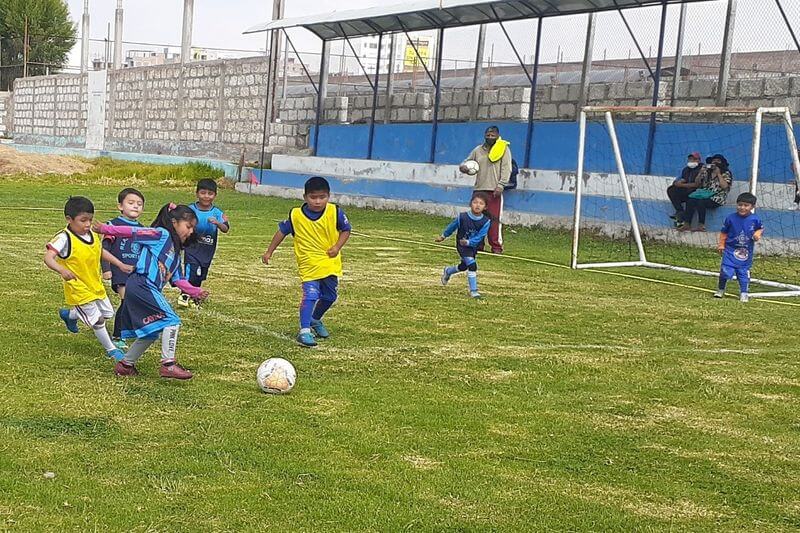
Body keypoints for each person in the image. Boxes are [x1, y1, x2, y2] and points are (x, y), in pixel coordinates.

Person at [93, 204, 208, 379]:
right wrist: (106, 229)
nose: (191, 231)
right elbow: (133, 232)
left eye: (193, 228)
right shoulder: (162, 234)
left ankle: (125, 365)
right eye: (188, 226)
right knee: (171, 320)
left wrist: (195, 291)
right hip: (142, 284)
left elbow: (178, 280)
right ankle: (168, 364)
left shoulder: (176, 256)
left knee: (151, 332)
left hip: (145, 288)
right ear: (174, 222)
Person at [261, 176, 352, 347]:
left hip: (329, 262)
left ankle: (315, 319)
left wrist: (337, 247)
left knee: (330, 296)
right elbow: (281, 232)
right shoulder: (295, 215)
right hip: (308, 263)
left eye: (322, 197)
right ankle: (304, 331)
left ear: (329, 196)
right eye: (313, 197)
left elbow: (346, 230)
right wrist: (269, 252)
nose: (318, 201)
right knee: (310, 295)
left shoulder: (335, 212)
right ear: (305, 197)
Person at [44, 196, 133, 361]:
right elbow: (48, 258)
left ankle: (70, 315)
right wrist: (61, 269)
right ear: (69, 219)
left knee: (107, 313)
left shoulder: (91, 234)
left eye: (90, 220)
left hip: (94, 284)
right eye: (83, 220)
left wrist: (119, 264)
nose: (87, 224)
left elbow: (99, 251)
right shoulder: (64, 238)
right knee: (97, 320)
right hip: (77, 286)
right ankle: (112, 350)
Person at [101, 188, 145, 349]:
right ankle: (118, 335)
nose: (135, 206)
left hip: (135, 272)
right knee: (126, 299)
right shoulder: (113, 225)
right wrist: (106, 269)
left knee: (135, 301)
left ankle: (130, 329)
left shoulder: (142, 229)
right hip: (120, 271)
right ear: (120, 206)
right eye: (131, 203)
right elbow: (103, 249)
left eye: (139, 204)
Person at [178, 178, 229, 307]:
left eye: (210, 193)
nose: (206, 196)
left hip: (207, 249)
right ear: (197, 193)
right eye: (203, 192)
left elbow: (226, 228)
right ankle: (184, 295)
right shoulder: (190, 210)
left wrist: (218, 223)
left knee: (200, 275)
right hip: (192, 247)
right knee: (191, 271)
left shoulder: (217, 213)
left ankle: (195, 296)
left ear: (215, 195)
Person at [460, 125, 510, 254]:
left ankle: (496, 247)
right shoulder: (478, 150)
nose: (490, 137)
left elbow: (506, 168)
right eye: (488, 135)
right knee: (476, 220)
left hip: (494, 190)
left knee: (493, 220)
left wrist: (501, 185)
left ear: (498, 136)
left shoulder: (503, 149)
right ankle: (477, 244)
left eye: (493, 135)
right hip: (479, 189)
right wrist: (464, 167)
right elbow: (465, 162)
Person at [436, 192, 492, 299]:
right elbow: (451, 227)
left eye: (481, 203)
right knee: (472, 265)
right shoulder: (462, 217)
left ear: (485, 207)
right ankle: (474, 291)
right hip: (462, 246)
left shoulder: (486, 221)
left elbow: (480, 236)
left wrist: (469, 242)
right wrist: (443, 236)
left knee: (463, 266)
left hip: (473, 246)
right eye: (475, 202)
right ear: (470, 204)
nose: (477, 205)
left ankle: (448, 271)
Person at [714, 192, 763, 303]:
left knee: (743, 272)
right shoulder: (730, 218)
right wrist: (721, 244)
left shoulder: (755, 219)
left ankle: (744, 293)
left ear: (752, 207)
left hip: (745, 251)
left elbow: (760, 228)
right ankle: (721, 290)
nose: (742, 207)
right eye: (740, 205)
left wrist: (757, 234)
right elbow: (723, 233)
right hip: (730, 249)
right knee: (725, 271)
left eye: (746, 205)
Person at [678, 153, 733, 232]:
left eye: (718, 161)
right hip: (704, 194)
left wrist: (718, 174)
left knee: (701, 202)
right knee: (690, 200)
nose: (715, 163)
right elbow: (697, 182)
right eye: (714, 161)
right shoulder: (707, 171)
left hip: (717, 197)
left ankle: (701, 225)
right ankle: (687, 224)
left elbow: (724, 186)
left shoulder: (726, 173)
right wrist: (700, 172)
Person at [666, 151, 702, 221]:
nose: (691, 161)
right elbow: (682, 179)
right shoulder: (686, 170)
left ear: (699, 160)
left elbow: (697, 184)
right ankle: (679, 211)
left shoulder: (702, 169)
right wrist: (677, 183)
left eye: (694, 159)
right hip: (686, 190)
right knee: (671, 189)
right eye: (690, 159)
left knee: (691, 193)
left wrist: (682, 185)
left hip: (697, 191)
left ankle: (685, 219)